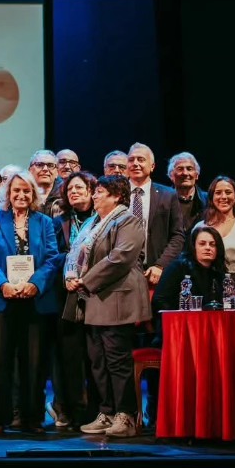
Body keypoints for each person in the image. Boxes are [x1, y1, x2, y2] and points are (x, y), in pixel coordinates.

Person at [0, 171, 62, 434]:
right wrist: (3, 284)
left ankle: (32, 419)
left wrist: (34, 284)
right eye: (16, 190)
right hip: (2, 300)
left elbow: (52, 258)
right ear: (8, 193)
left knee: (34, 363)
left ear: (33, 193)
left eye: (26, 190)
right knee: (0, 362)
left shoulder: (44, 222)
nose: (21, 195)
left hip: (35, 300)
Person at [65, 174, 148, 439]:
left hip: (117, 299)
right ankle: (107, 411)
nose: (95, 195)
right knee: (98, 361)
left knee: (117, 360)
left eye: (100, 191)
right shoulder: (94, 222)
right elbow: (76, 254)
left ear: (117, 196)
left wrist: (85, 280)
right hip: (94, 300)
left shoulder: (128, 220)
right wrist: (70, 276)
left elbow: (120, 258)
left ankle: (126, 415)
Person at [51, 169, 97, 429]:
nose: (74, 192)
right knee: (69, 355)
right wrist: (69, 267)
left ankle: (95, 411)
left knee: (94, 355)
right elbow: (53, 254)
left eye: (79, 188)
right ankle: (70, 409)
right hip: (66, 293)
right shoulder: (60, 222)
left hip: (96, 293)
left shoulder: (102, 220)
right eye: (70, 189)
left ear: (91, 191)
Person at [125, 143, 188, 286]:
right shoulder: (116, 194)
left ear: (152, 166)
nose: (135, 163)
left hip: (154, 273)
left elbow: (177, 236)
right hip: (121, 273)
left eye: (141, 159)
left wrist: (161, 265)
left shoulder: (168, 195)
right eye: (131, 160)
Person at [151, 224, 230, 314]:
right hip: (179, 319)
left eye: (212, 244)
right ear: (194, 246)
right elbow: (159, 300)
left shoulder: (218, 271)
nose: (208, 248)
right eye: (202, 244)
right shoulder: (178, 267)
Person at [166, 151, 206, 232]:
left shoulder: (209, 200)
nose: (185, 173)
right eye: (180, 169)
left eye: (189, 169)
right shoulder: (162, 201)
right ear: (171, 175)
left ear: (196, 175)